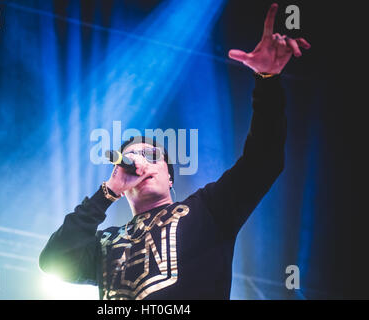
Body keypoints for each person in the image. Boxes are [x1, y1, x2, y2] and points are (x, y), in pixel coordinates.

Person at [38, 3, 311, 300]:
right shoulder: (106, 243)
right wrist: (107, 193)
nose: (141, 161)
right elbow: (53, 261)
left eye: (152, 156)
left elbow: (264, 159)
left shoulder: (206, 210)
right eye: (134, 156)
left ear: (170, 177)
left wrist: (268, 82)